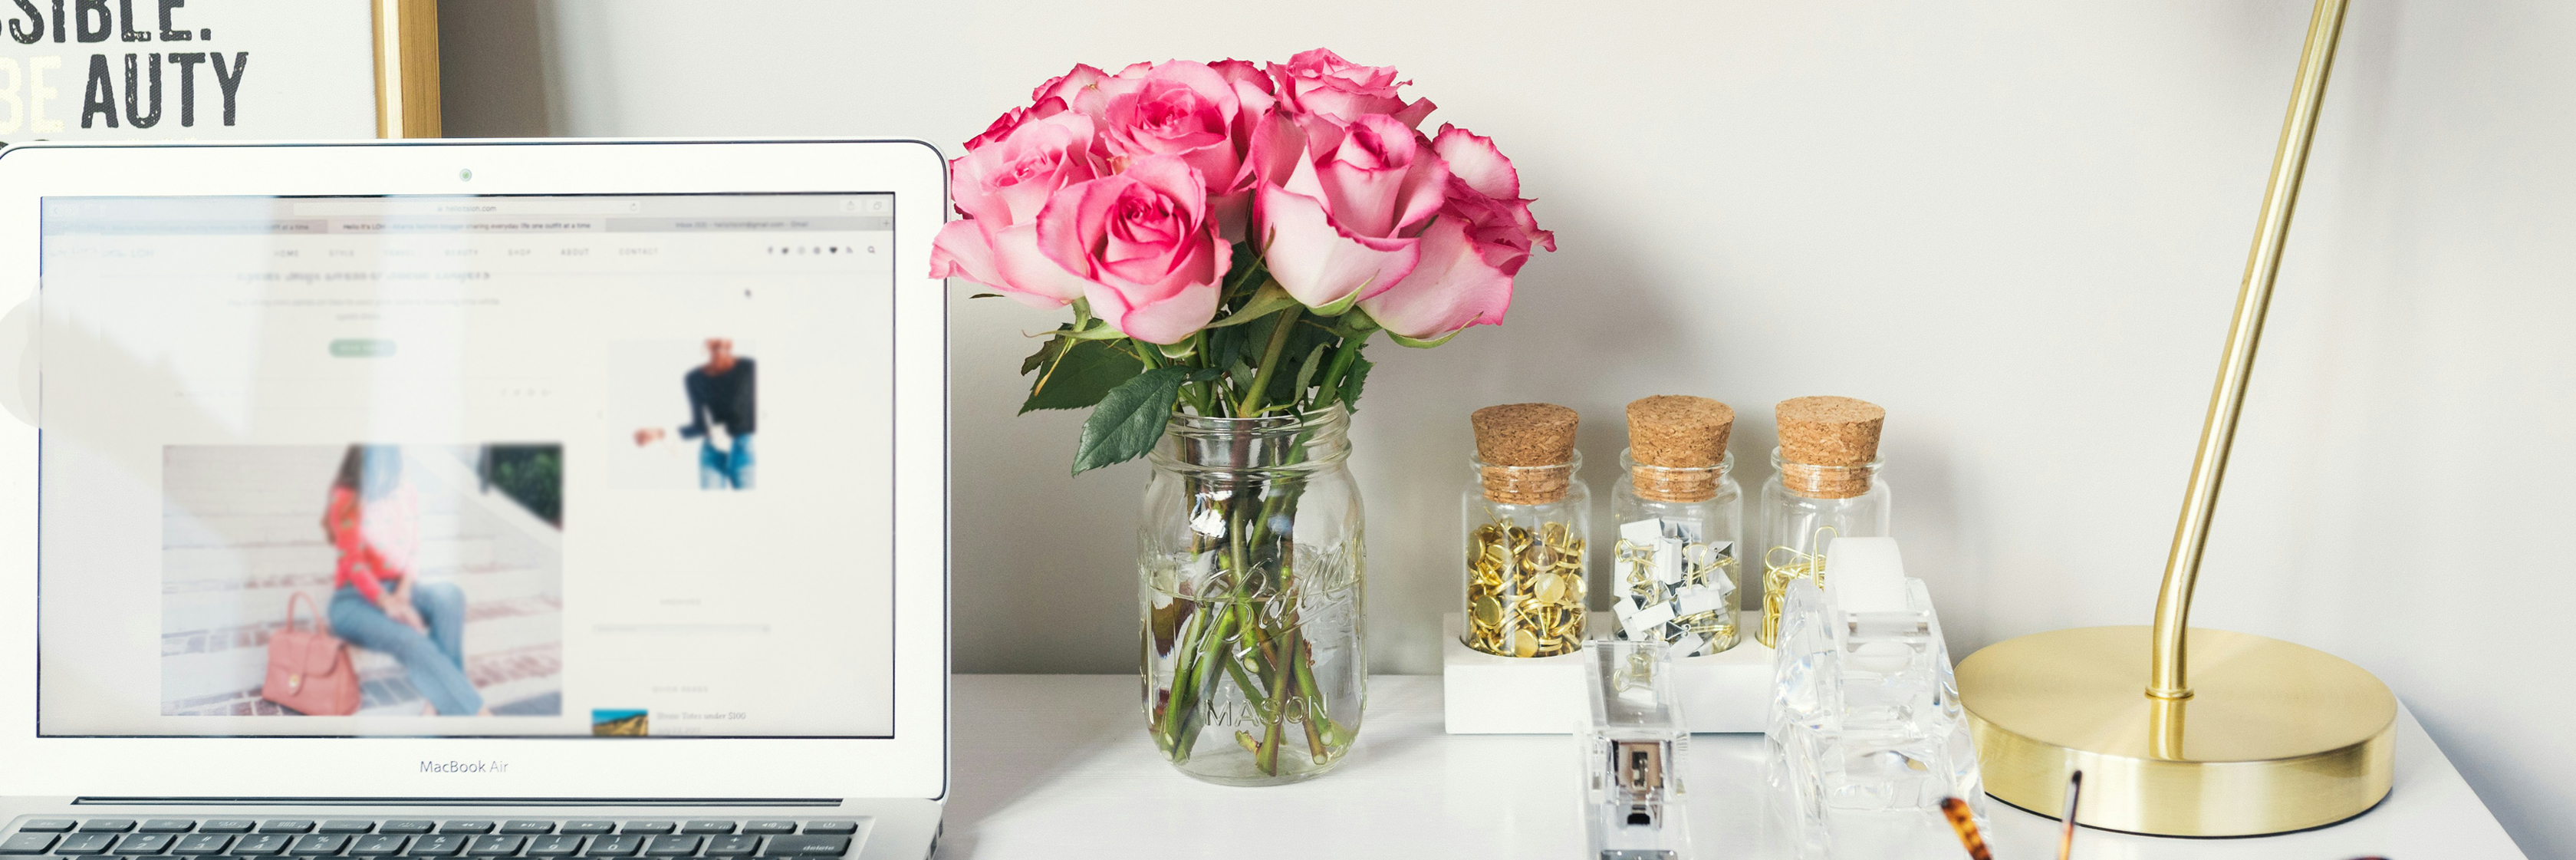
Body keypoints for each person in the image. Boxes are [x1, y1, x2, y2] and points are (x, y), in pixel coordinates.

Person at [320, 445, 488, 716]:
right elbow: (353, 563)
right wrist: (387, 602)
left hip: (397, 586)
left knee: (450, 596)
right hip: (351, 599)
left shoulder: (406, 492)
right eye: (376, 469)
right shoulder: (346, 497)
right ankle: (481, 718)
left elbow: (413, 551)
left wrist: (404, 593)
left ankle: (435, 705)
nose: (385, 479)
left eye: (390, 469)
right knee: (410, 639)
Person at [634, 338, 756, 490]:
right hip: (712, 451)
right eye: (714, 338)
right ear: (706, 342)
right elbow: (699, 426)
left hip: (745, 450)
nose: (719, 342)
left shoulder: (750, 367)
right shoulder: (694, 378)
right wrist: (660, 433)